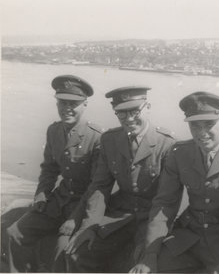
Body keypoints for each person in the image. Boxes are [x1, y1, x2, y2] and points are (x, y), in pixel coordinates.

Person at [131, 91, 219, 274]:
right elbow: (165, 204)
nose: (202, 133)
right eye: (195, 126)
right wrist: (150, 253)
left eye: (209, 124)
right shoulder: (180, 153)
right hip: (189, 235)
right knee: (148, 268)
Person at [57, 86, 176, 272]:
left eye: (135, 111)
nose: (129, 119)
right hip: (120, 214)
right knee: (78, 251)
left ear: (148, 107)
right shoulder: (110, 140)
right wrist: (88, 226)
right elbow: (100, 187)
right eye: (121, 113)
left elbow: (166, 202)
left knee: (138, 264)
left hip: (150, 217)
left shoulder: (167, 145)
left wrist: (150, 249)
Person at [6, 75, 103, 272]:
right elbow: (49, 169)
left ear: (85, 104)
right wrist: (41, 195)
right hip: (58, 200)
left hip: (82, 207)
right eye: (62, 102)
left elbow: (96, 186)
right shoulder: (54, 131)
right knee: (14, 232)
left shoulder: (98, 137)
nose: (67, 108)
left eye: (73, 103)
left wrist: (75, 219)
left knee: (63, 249)